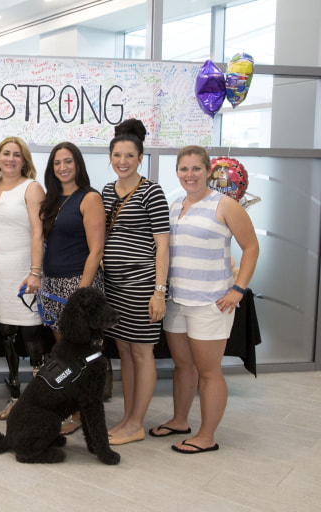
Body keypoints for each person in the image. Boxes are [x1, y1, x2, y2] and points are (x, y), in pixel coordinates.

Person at [153, 145, 259, 454]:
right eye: (184, 169)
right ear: (177, 172)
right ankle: (179, 420)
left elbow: (251, 248)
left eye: (196, 168)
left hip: (211, 302)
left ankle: (207, 435)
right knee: (183, 365)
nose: (189, 174)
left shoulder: (224, 205)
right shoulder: (174, 206)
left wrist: (238, 289)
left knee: (209, 371)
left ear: (208, 171)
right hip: (177, 301)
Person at [102, 119, 170, 446]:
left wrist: (159, 292)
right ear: (110, 157)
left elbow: (163, 246)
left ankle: (137, 423)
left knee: (142, 353)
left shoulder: (151, 191)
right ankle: (128, 418)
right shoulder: (106, 191)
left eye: (130, 155)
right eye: (117, 155)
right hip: (114, 288)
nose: (123, 161)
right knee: (125, 352)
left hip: (143, 287)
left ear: (140, 158)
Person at [38, 142, 106, 435]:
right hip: (52, 284)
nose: (63, 167)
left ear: (78, 164)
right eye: (57, 163)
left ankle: (82, 413)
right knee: (65, 353)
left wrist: (81, 293)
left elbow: (96, 250)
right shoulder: (52, 200)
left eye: (68, 161)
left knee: (82, 356)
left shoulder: (89, 198)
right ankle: (70, 406)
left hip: (79, 285)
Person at [0, 136, 46, 420]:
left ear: (24, 160)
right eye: (5, 153)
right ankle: (15, 396)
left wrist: (35, 272)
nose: (10, 159)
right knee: (6, 335)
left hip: (24, 272)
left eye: (16, 155)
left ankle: (41, 398)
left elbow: (37, 232)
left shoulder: (32, 188)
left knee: (31, 336)